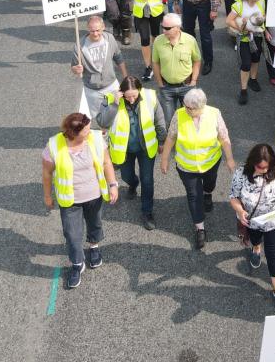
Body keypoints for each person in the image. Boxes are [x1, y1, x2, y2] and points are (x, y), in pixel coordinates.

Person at [42, 113, 118, 290]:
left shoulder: (95, 139)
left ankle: (94, 247)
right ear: (73, 133)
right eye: (86, 131)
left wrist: (113, 184)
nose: (90, 132)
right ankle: (77, 264)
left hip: (94, 195)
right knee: (72, 234)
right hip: (70, 200)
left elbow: (106, 163)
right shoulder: (53, 146)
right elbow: (47, 173)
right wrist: (47, 196)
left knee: (95, 224)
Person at [160, 88, 237, 249]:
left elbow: (223, 137)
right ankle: (200, 228)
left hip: (210, 162)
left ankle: (208, 194)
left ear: (202, 107)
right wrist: (165, 159)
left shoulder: (214, 114)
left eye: (191, 108)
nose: (187, 109)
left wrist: (229, 159)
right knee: (194, 195)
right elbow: (171, 137)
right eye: (185, 106)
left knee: (210, 184)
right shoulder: (179, 114)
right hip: (186, 166)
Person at [96, 76, 167, 230]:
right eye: (127, 97)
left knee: (147, 180)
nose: (132, 100)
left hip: (146, 148)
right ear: (121, 92)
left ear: (139, 90)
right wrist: (115, 104)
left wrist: (162, 141)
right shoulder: (110, 99)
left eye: (134, 95)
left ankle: (147, 212)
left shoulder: (150, 96)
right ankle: (133, 184)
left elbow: (159, 120)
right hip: (124, 150)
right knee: (126, 176)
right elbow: (102, 122)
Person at [230, 144, 275, 310]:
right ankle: (256, 248)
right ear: (252, 162)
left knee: (273, 255)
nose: (264, 170)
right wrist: (240, 211)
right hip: (252, 221)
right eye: (260, 167)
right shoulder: (241, 173)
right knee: (255, 239)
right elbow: (233, 197)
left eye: (267, 167)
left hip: (274, 222)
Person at [71, 15, 128, 119]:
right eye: (92, 31)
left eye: (98, 30)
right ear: (88, 29)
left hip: (111, 85)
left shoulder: (109, 38)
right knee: (101, 118)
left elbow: (118, 57)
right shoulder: (79, 46)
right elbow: (74, 67)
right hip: (93, 90)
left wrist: (125, 77)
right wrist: (76, 69)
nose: (95, 34)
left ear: (103, 27)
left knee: (119, 114)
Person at [152, 11, 201, 122]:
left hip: (187, 86)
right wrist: (160, 83)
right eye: (162, 27)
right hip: (166, 88)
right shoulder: (158, 41)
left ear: (178, 28)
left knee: (189, 120)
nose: (164, 31)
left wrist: (193, 80)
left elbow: (197, 60)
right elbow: (155, 62)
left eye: (167, 28)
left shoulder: (190, 40)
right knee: (170, 121)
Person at [226, 0, 267, 105]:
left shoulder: (261, 2)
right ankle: (243, 90)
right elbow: (228, 20)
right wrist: (241, 28)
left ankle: (253, 79)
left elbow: (263, 15)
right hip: (244, 38)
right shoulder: (239, 5)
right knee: (245, 64)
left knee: (256, 58)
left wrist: (260, 21)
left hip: (257, 36)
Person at [129, 0, 166, 82]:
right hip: (140, 12)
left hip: (155, 11)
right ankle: (148, 66)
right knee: (145, 39)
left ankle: (156, 61)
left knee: (156, 37)